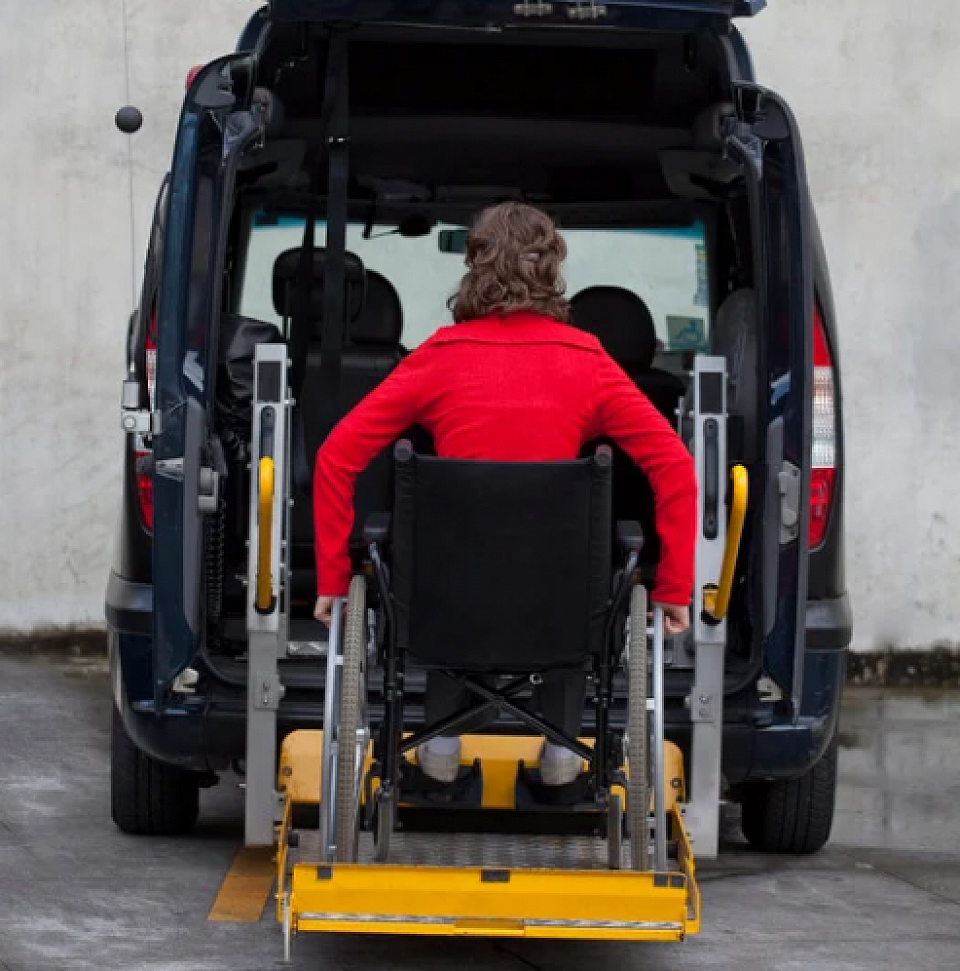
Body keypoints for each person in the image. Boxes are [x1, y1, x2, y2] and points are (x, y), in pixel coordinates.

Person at [313, 202, 697, 786]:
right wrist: (673, 586)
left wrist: (333, 582)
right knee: (578, 574)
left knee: (448, 567)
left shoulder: (437, 357)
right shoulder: (590, 363)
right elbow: (675, 468)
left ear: (473, 267)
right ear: (551, 271)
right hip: (559, 608)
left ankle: (439, 750)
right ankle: (563, 757)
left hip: (447, 607)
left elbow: (336, 457)